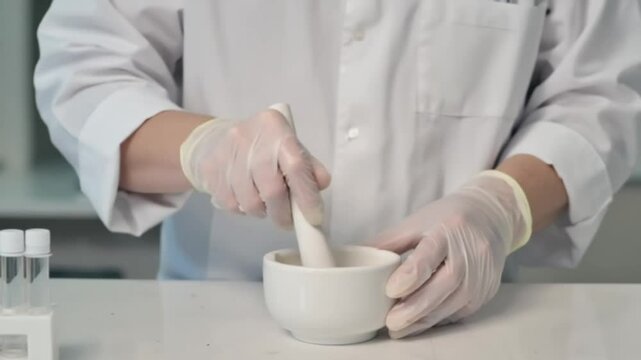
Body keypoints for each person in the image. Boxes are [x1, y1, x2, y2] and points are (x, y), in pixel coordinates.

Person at [34, 0, 640, 339]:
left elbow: (598, 98)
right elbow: (84, 74)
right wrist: (205, 148)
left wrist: (503, 205)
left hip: (469, 326)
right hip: (214, 322)